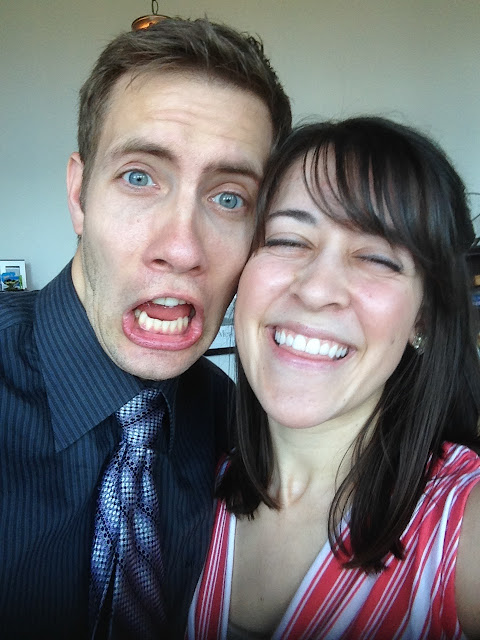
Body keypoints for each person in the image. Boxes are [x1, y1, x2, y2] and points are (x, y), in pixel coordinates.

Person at [0, 17, 291, 639]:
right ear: (79, 194)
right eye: (139, 177)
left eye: (230, 197)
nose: (182, 249)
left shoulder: (235, 424)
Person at [188, 117, 480, 639]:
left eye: (376, 258)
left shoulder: (464, 525)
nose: (317, 289)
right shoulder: (180, 484)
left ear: (423, 316)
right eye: (287, 240)